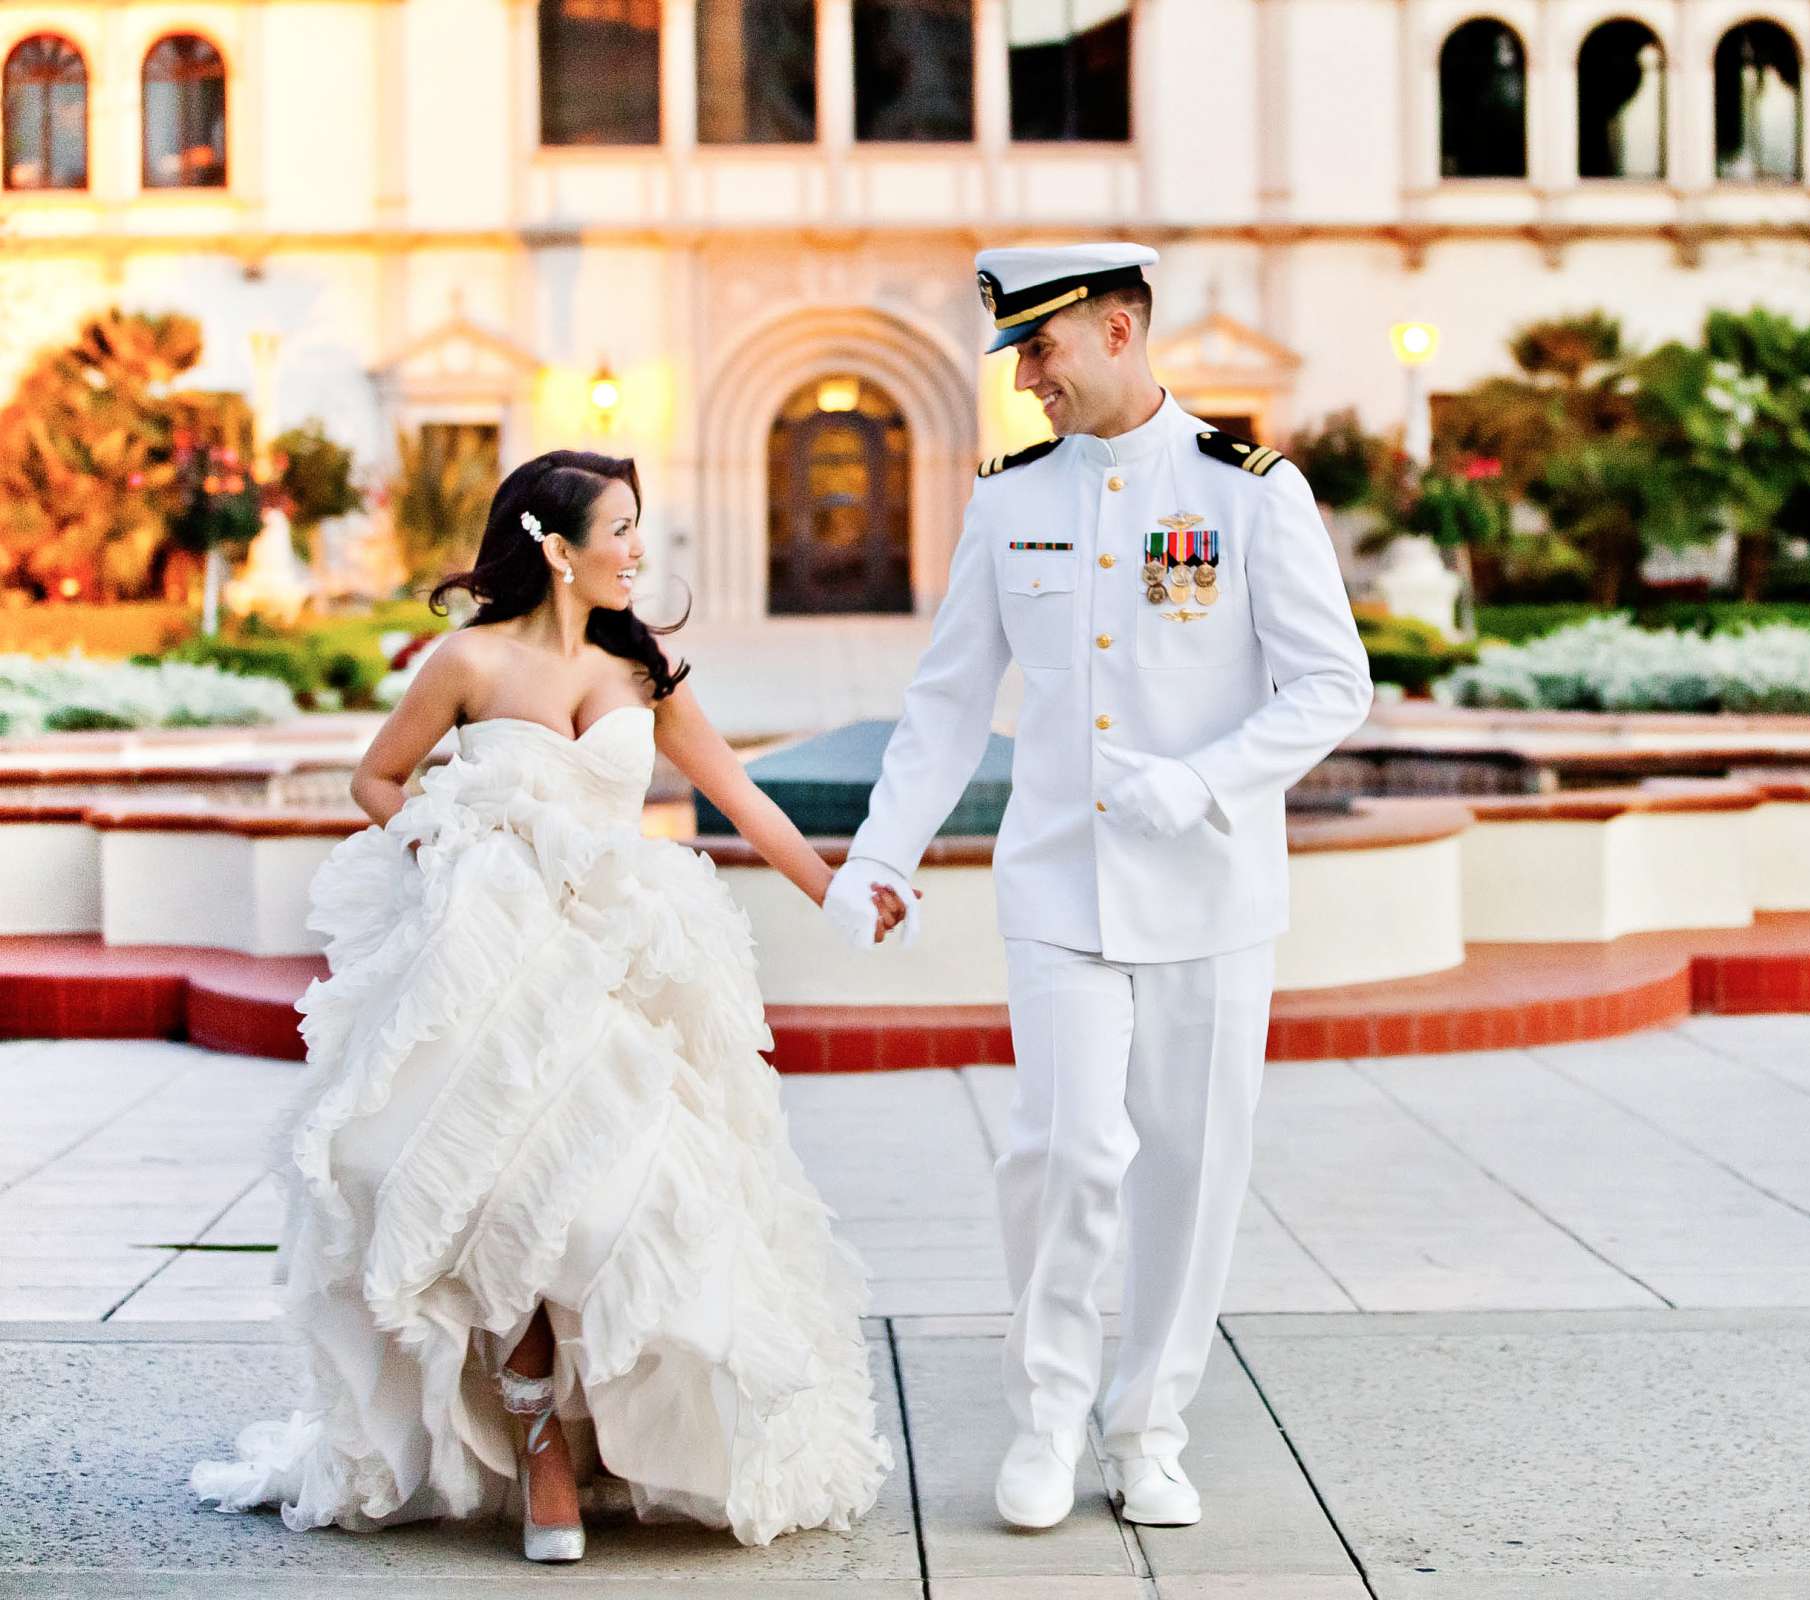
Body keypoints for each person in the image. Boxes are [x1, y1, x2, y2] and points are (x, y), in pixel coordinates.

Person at [191, 450, 900, 1561]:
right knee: (477, 1180)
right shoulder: (465, 660)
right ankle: (539, 1450)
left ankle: (618, 1432)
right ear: (558, 550)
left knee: (623, 1200)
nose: (637, 550)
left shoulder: (645, 672)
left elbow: (738, 791)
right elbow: (377, 779)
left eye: (639, 527)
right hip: (491, 960)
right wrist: (440, 832)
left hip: (617, 961)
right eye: (621, 529)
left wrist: (840, 887)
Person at [822, 244, 1374, 1530]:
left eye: (1041, 349)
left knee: (1190, 1168)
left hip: (1212, 894)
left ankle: (1149, 1426)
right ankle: (1048, 1415)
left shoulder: (1250, 492)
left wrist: (1214, 780)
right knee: (1065, 1155)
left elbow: (1330, 684)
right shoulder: (1011, 499)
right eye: (1018, 353)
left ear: (1118, 329)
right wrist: (884, 851)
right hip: (1060, 887)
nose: (1024, 380)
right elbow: (952, 698)